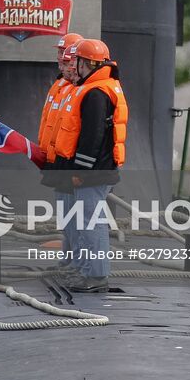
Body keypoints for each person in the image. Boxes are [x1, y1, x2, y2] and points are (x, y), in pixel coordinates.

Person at [52, 38, 127, 292]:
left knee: (90, 223)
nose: (74, 66)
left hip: (94, 171)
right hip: (98, 169)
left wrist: (80, 172)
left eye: (78, 62)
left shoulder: (96, 92)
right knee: (85, 221)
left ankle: (95, 276)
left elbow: (92, 137)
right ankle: (87, 271)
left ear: (87, 63)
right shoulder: (99, 88)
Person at [39, 32, 82, 275]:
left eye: (66, 57)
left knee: (77, 218)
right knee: (67, 216)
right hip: (57, 160)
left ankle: (77, 262)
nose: (60, 59)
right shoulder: (60, 86)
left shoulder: (79, 90)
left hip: (71, 164)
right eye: (60, 54)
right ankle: (69, 258)